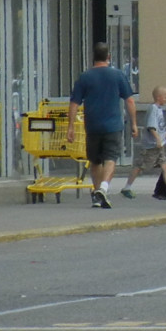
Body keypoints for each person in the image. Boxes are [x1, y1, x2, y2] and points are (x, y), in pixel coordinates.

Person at [69, 42, 137, 210]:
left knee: (95, 161)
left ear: (94, 57)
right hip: (113, 125)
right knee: (110, 158)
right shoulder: (118, 75)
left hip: (92, 125)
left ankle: (97, 195)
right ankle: (104, 189)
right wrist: (134, 123)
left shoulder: (85, 77)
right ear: (109, 57)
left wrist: (71, 126)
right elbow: (129, 100)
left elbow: (74, 103)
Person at [121, 84, 166, 200]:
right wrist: (158, 138)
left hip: (159, 146)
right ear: (159, 97)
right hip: (152, 146)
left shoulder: (159, 109)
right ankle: (127, 187)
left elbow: (160, 125)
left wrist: (164, 134)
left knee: (165, 167)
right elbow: (151, 126)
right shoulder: (153, 108)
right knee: (140, 166)